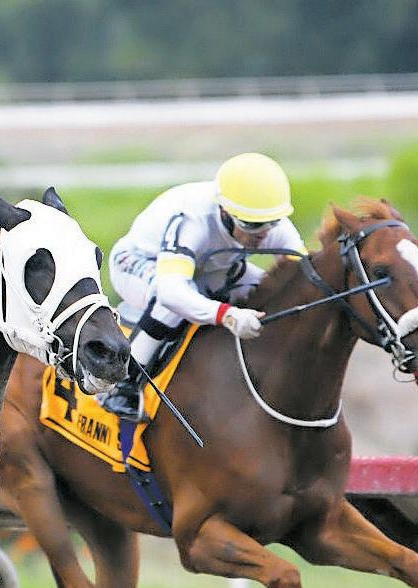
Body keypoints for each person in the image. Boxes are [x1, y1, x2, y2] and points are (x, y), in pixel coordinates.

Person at [99, 151, 307, 422]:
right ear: (225, 211)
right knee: (173, 301)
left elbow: (304, 276)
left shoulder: (266, 220)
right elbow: (172, 292)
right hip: (139, 263)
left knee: (272, 291)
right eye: (253, 225)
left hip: (208, 269)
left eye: (272, 223)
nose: (264, 233)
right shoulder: (194, 221)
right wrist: (227, 315)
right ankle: (123, 384)